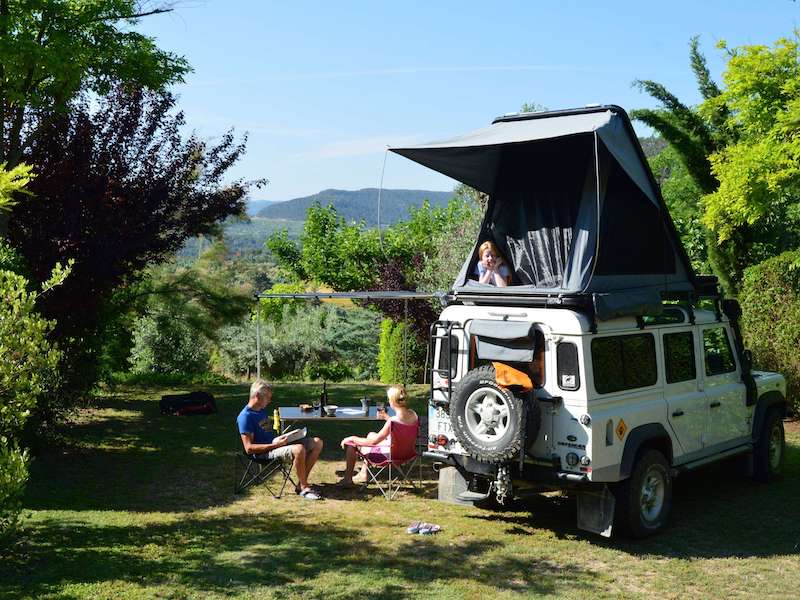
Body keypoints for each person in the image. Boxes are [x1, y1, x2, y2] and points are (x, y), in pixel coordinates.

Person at [237, 379, 324, 500]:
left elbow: (266, 434)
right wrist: (276, 445)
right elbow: (249, 449)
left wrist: (283, 437)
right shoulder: (245, 417)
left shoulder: (261, 411)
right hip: (264, 453)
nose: (269, 400)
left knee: (317, 442)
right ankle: (304, 488)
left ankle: (300, 484)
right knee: (299, 449)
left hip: (275, 444)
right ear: (257, 396)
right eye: (267, 397)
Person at [338, 384, 418, 486]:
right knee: (371, 434)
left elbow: (373, 442)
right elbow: (401, 425)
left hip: (391, 456)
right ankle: (363, 473)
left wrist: (352, 438)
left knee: (351, 444)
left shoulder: (393, 422)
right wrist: (387, 417)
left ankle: (347, 479)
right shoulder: (413, 414)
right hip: (407, 453)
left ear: (392, 402)